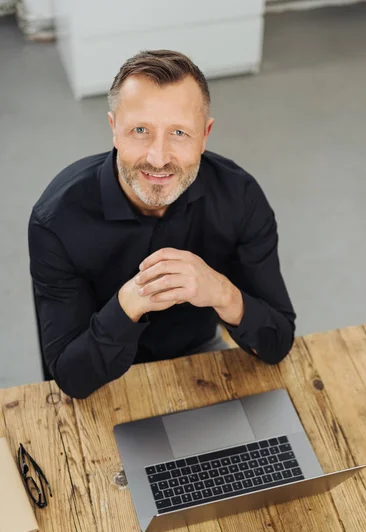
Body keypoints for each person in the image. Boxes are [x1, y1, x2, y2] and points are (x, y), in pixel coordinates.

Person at [28, 49, 296, 400]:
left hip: (201, 358)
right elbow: (71, 377)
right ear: (114, 130)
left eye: (179, 133)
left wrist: (221, 292)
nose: (158, 158)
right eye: (140, 130)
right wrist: (128, 305)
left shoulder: (239, 197)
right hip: (102, 377)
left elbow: (277, 343)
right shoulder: (57, 221)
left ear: (205, 134)